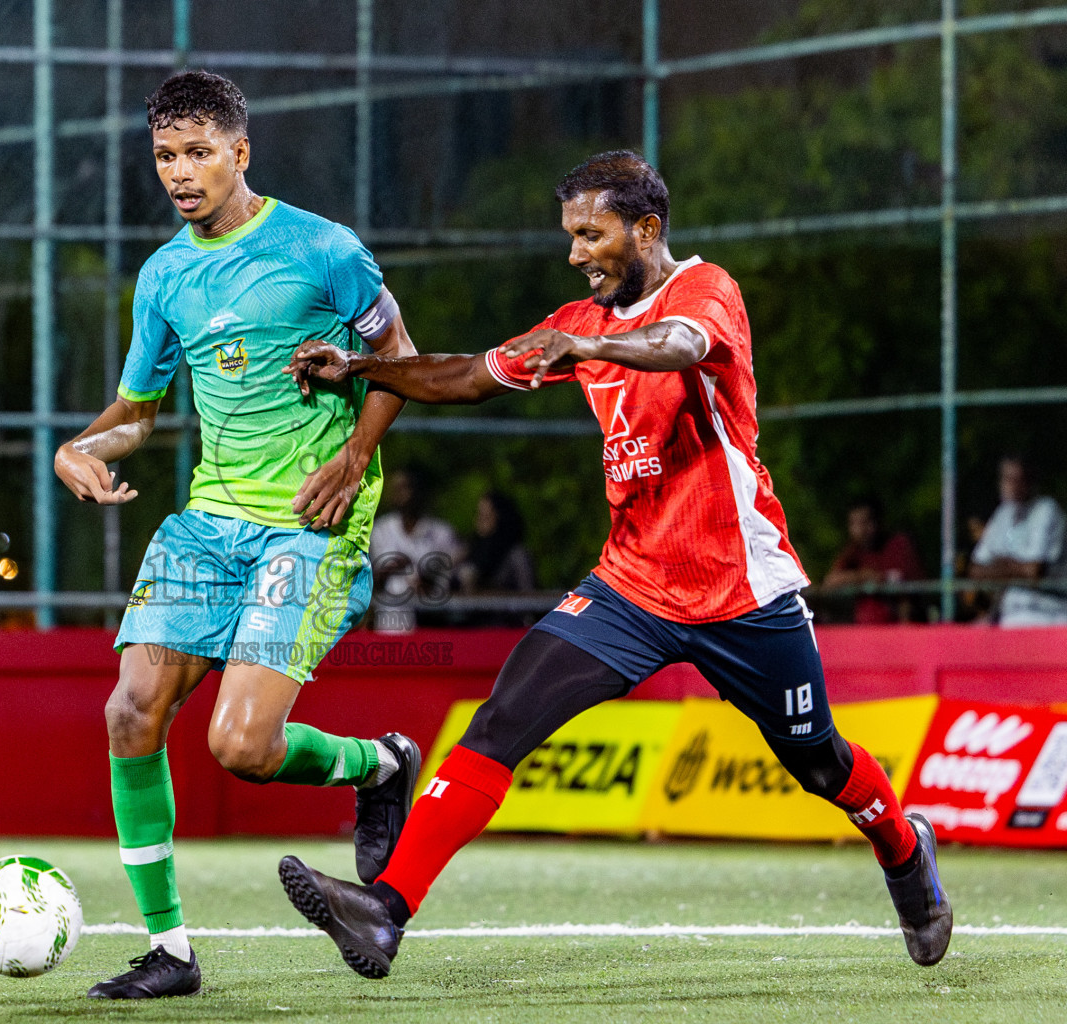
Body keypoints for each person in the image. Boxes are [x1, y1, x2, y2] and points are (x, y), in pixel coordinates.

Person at [279, 150, 951, 978]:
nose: (575, 254)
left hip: (742, 592)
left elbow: (677, 344)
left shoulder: (705, 292)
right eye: (569, 237)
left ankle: (901, 845)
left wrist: (591, 346)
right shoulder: (579, 323)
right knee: (503, 718)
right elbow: (461, 374)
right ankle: (386, 911)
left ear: (647, 229)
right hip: (630, 587)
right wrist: (362, 366)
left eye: (590, 235)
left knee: (816, 758)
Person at [52, 70, 423, 1000]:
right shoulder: (165, 274)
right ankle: (170, 952)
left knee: (243, 749)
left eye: (198, 153)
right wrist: (85, 445)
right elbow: (139, 411)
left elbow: (404, 364)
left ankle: (380, 764)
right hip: (208, 522)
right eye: (166, 157)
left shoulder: (323, 248)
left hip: (309, 523)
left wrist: (354, 459)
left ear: (239, 152)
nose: (181, 173)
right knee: (130, 712)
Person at [968, 455, 1067, 625]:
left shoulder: (1046, 510)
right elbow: (976, 569)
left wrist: (999, 565)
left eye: (1016, 479)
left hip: (1047, 612)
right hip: (1009, 614)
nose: (1010, 485)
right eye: (1006, 478)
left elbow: (1033, 571)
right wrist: (1012, 566)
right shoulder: (1003, 514)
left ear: (1029, 482)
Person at [369, 467, 461, 631]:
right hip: (390, 627)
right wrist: (389, 569)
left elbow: (454, 580)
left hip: (432, 627)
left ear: (419, 491)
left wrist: (428, 580)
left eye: (403, 487)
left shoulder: (441, 533)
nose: (397, 494)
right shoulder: (380, 530)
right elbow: (368, 583)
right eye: (394, 488)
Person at [822, 498, 924, 624]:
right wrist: (862, 576)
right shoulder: (853, 551)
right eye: (855, 524)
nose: (861, 530)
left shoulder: (898, 544)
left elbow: (905, 583)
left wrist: (874, 577)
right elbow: (830, 581)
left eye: (865, 522)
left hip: (899, 628)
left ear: (878, 522)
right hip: (865, 631)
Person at [458, 490, 538, 624]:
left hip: (507, 628)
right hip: (475, 628)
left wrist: (485, 592)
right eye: (479, 515)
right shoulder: (471, 551)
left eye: (486, 516)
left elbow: (529, 598)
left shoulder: (516, 555)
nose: (480, 521)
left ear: (501, 517)